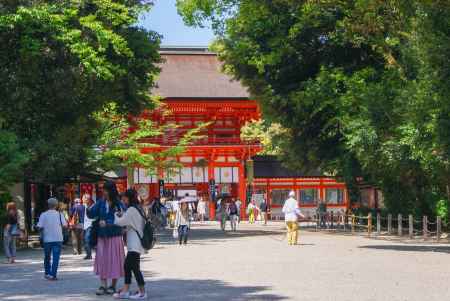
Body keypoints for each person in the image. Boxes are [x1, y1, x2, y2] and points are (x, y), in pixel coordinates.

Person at [87, 181, 126, 295]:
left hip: (115, 235)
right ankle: (103, 285)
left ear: (111, 191)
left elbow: (123, 217)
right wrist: (88, 207)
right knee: (102, 259)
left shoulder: (119, 203)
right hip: (102, 236)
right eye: (103, 190)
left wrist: (109, 222)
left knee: (115, 260)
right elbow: (91, 214)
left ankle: (113, 285)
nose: (103, 192)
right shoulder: (100, 202)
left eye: (105, 190)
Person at [113, 189, 147, 300]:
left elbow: (120, 222)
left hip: (135, 244)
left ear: (129, 198)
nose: (123, 200)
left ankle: (142, 292)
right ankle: (126, 290)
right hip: (136, 243)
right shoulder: (137, 208)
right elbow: (131, 222)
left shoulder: (132, 209)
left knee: (133, 268)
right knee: (128, 266)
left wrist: (115, 215)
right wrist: (123, 215)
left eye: (125, 198)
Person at [37, 198, 68, 280]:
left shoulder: (43, 214)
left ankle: (47, 273)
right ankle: (53, 274)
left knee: (47, 257)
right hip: (58, 239)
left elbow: (39, 226)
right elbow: (65, 225)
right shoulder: (60, 214)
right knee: (56, 257)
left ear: (48, 205)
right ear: (56, 205)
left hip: (47, 239)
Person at [82, 194, 95, 260]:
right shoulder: (83, 206)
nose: (83, 200)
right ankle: (88, 254)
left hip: (90, 225)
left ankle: (89, 254)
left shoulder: (92, 206)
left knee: (87, 239)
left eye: (84, 199)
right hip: (84, 225)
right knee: (85, 240)